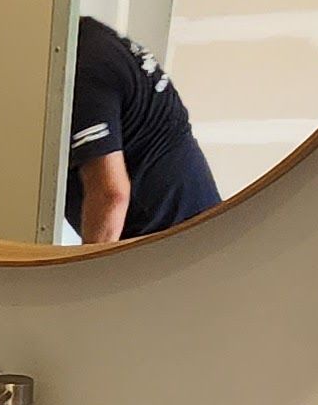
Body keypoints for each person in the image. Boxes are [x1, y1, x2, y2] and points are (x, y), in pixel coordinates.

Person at [65, 14, 221, 245]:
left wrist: (86, 267)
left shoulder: (84, 69)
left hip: (174, 247)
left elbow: (110, 196)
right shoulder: (92, 38)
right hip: (197, 236)